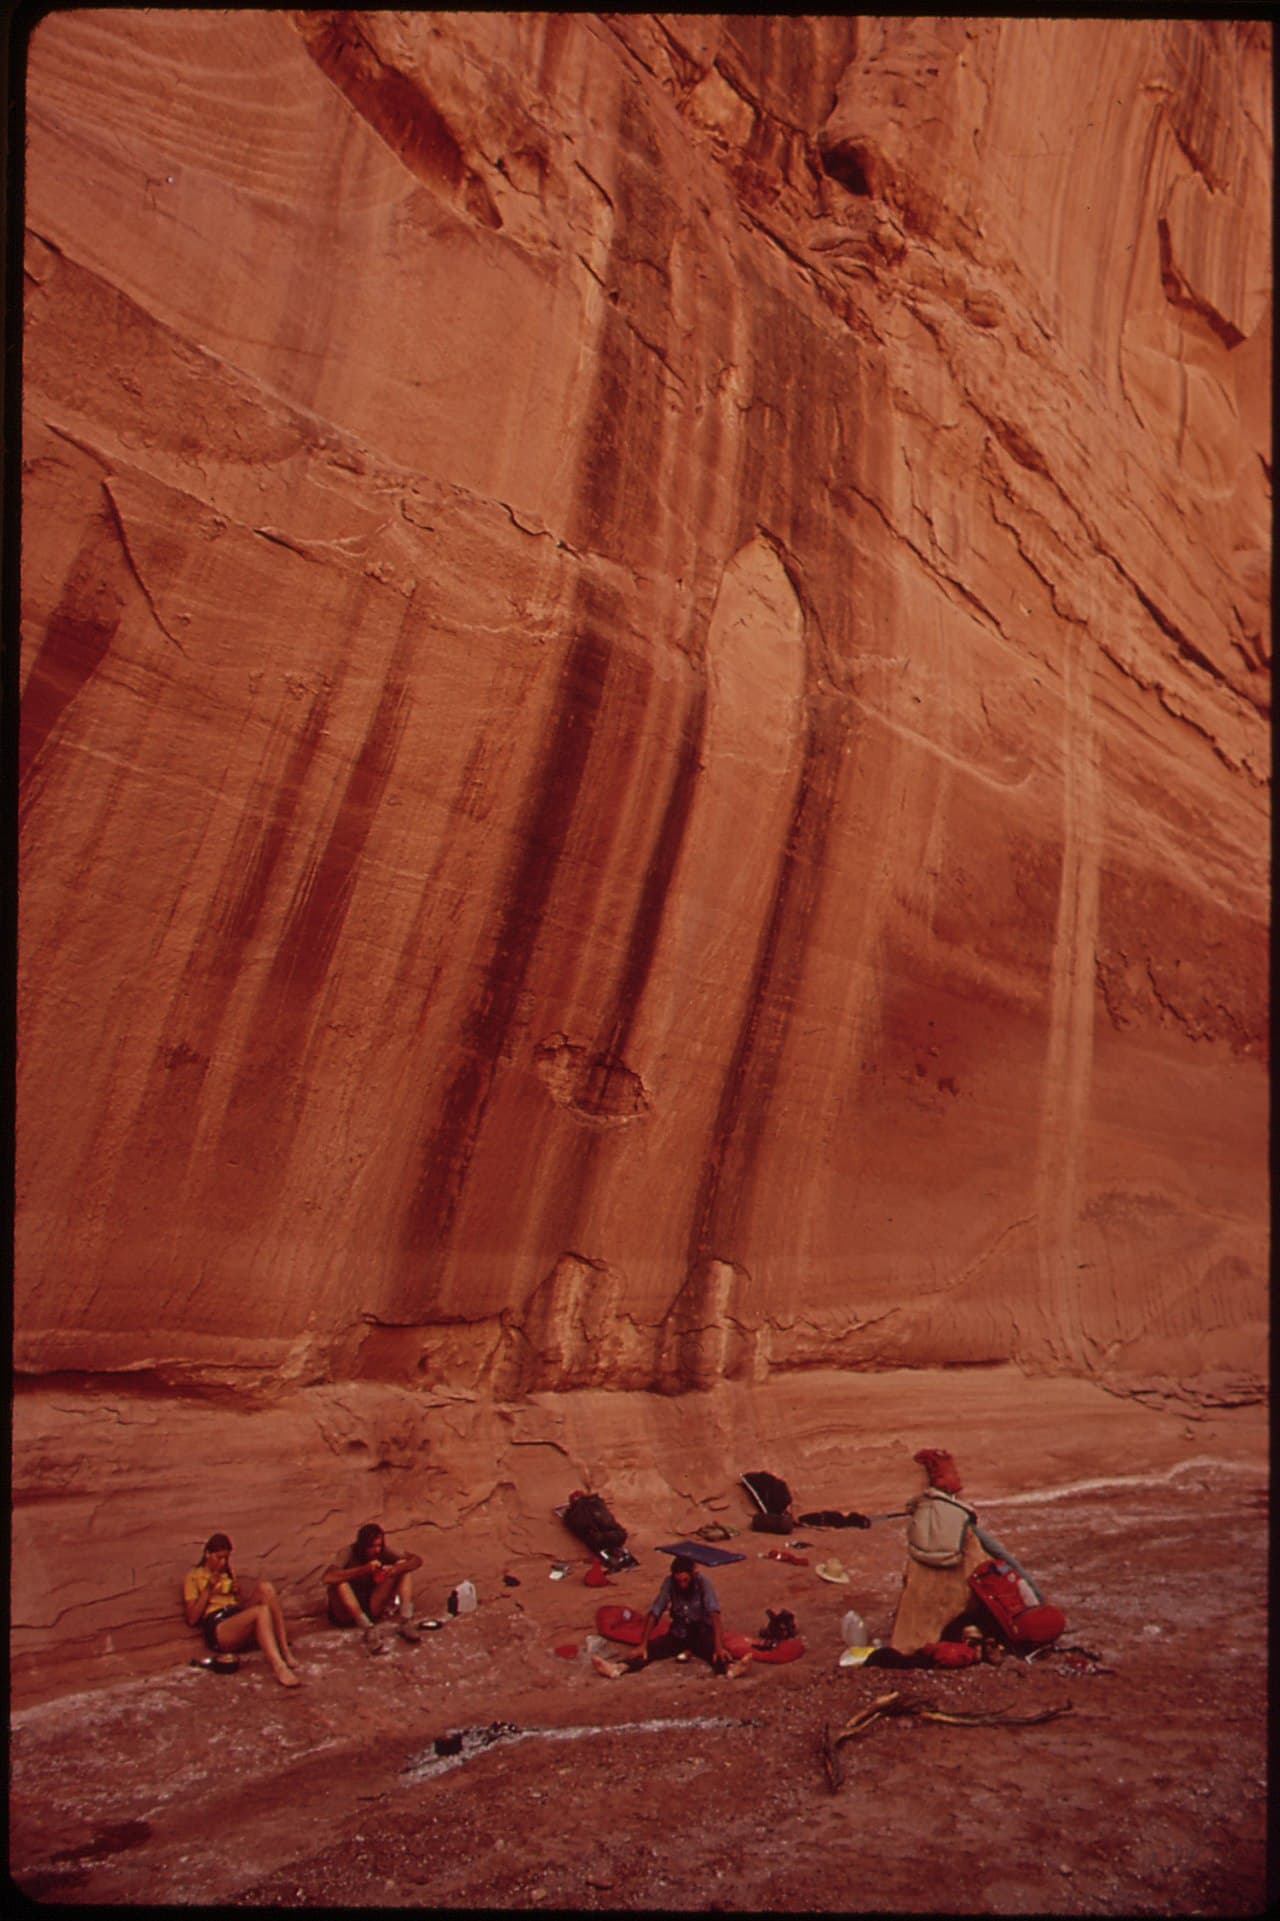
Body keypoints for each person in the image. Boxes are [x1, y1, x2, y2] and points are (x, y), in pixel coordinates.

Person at [889, 1448, 1042, 1654]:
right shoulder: (961, 1519)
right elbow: (1002, 1556)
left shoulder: (919, 1518)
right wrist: (1038, 1598)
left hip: (915, 1620)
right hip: (960, 1602)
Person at [592, 1554, 752, 1679]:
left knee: (715, 1652)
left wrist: (719, 1646)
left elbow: (715, 1615)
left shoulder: (704, 1583)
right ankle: (619, 1668)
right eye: (679, 1581)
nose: (682, 1584)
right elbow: (655, 1611)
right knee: (649, 1650)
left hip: (702, 1632)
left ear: (692, 1574)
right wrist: (643, 1643)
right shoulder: (669, 1583)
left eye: (685, 1580)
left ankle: (731, 1668)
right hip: (679, 1631)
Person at [182, 1532, 300, 1687]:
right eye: (219, 1558)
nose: (223, 1562)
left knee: (266, 1589)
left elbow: (236, 1604)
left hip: (235, 1617)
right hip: (219, 1627)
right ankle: (279, 1666)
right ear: (207, 1554)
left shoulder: (227, 1573)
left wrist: (236, 1591)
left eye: (226, 1558)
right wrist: (208, 1588)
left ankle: (284, 1650)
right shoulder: (193, 1576)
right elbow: (192, 1618)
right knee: (261, 1611)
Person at [323, 1522, 423, 1645]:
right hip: (346, 1611)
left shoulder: (382, 1551)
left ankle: (406, 1620)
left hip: (371, 1605)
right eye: (371, 1546)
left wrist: (394, 1569)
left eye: (379, 1546)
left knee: (404, 1566)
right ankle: (368, 1629)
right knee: (339, 1583)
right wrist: (363, 1570)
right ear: (362, 1546)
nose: (376, 1550)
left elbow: (416, 1560)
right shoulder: (348, 1553)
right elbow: (327, 1577)